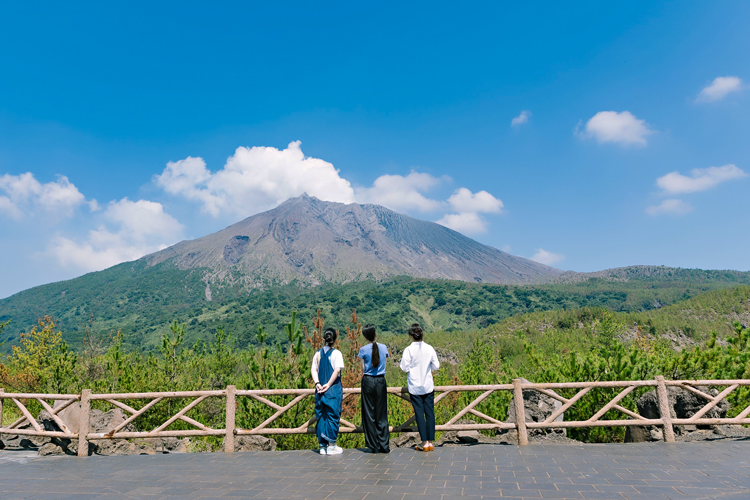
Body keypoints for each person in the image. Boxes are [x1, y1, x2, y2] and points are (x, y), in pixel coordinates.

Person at [399, 323, 440, 452]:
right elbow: (436, 366)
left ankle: (424, 442)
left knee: (419, 415)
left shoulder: (408, 350)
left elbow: (404, 368)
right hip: (428, 385)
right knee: (430, 413)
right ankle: (430, 442)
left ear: (411, 336)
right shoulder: (429, 348)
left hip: (415, 386)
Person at [311, 328, 345, 455]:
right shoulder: (337, 354)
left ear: (324, 339)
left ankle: (322, 446)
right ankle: (331, 446)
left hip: (319, 391)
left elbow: (313, 370)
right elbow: (337, 370)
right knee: (333, 416)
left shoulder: (318, 353)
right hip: (333, 390)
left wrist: (318, 384)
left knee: (321, 417)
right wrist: (328, 385)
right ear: (335, 339)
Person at [358, 324, 390, 453]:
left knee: (369, 413)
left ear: (365, 337)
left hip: (368, 381)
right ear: (375, 334)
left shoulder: (363, 350)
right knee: (381, 413)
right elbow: (384, 365)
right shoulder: (383, 347)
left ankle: (373, 445)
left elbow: (363, 369)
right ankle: (384, 444)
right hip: (381, 381)